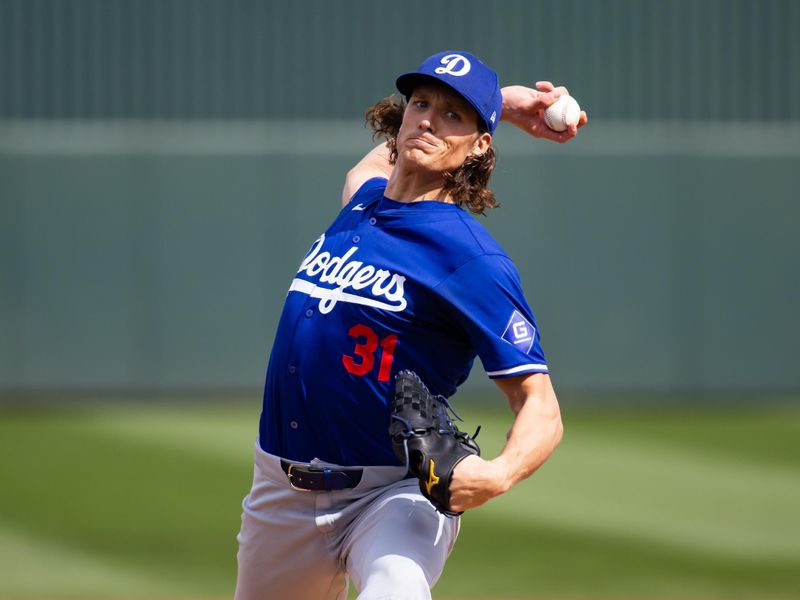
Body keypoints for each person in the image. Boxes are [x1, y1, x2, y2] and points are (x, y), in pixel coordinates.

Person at [234, 50, 587, 600]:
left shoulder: (470, 259)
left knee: (394, 591)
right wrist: (507, 101)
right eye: (420, 104)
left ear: (480, 145)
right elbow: (372, 167)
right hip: (280, 490)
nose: (427, 119)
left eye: (453, 115)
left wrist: (497, 475)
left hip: (394, 492)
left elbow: (541, 404)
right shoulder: (363, 202)